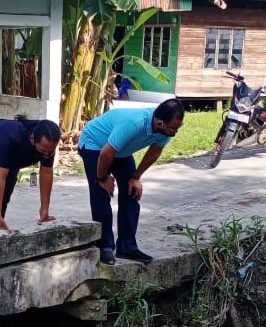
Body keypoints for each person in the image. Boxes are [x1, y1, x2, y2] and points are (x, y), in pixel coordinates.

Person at [77, 98, 185, 265]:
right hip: (95, 143)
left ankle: (127, 247)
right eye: (173, 128)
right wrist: (102, 178)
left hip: (120, 150)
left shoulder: (166, 130)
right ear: (160, 123)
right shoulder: (134, 123)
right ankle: (104, 246)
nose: (175, 132)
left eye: (178, 128)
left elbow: (154, 152)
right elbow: (106, 153)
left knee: (132, 192)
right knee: (101, 193)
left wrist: (135, 177)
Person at [0, 116, 61, 232]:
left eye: (51, 151)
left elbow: (47, 173)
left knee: (8, 188)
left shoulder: (47, 143)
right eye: (43, 151)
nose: (47, 154)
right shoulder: (11, 137)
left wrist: (44, 210)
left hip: (12, 155)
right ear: (32, 139)